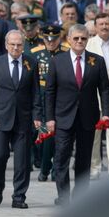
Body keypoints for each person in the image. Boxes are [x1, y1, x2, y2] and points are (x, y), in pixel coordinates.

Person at [46, 24, 109, 205]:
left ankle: (81, 197)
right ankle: (63, 197)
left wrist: (106, 113)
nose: (80, 41)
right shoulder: (57, 61)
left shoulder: (96, 61)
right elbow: (49, 92)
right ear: (69, 39)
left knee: (84, 160)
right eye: (76, 38)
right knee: (61, 158)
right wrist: (49, 118)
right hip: (63, 118)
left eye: (83, 38)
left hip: (87, 118)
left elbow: (104, 89)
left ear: (87, 40)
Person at [0, 30, 42, 209]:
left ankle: (19, 196)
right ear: (6, 45)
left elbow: (35, 93)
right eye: (12, 44)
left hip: (23, 120)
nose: (16, 48)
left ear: (23, 45)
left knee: (22, 162)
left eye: (19, 45)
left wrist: (37, 116)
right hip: (1, 119)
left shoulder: (31, 63)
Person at [31, 24, 69, 182]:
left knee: (60, 138)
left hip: (62, 99)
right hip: (42, 98)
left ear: (59, 38)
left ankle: (55, 168)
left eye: (54, 39)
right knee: (47, 137)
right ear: (43, 38)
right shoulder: (35, 53)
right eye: (47, 39)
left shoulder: (66, 53)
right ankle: (46, 167)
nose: (51, 42)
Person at [87, 13, 109, 179]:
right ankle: (94, 168)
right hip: (94, 96)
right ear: (96, 27)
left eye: (107, 24)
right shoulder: (89, 45)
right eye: (101, 24)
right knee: (95, 135)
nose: (104, 27)